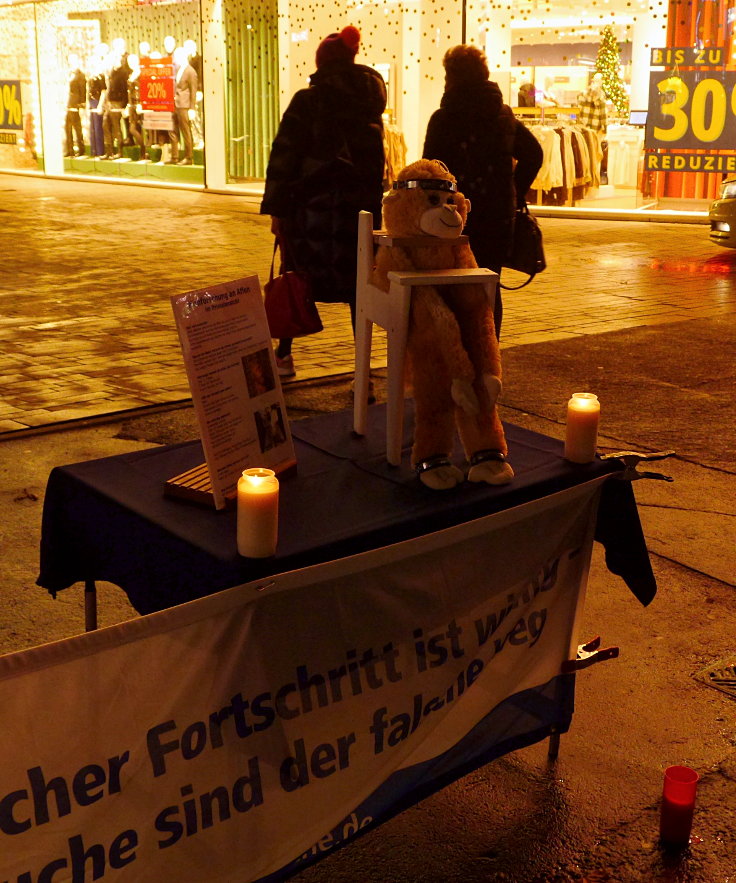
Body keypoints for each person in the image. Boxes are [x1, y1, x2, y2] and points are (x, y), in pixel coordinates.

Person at [260, 25, 386, 377]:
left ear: (321, 63)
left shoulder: (308, 102)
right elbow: (375, 168)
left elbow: (283, 156)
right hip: (354, 217)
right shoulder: (369, 108)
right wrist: (371, 214)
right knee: (357, 290)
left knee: (296, 279)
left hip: (308, 214)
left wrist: (278, 208)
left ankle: (283, 356)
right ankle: (364, 374)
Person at [423, 44, 543, 337]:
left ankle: (458, 363)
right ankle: (489, 363)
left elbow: (429, 171)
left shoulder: (444, 118)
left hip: (452, 217)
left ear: (451, 76)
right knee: (490, 287)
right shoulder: (501, 115)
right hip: (497, 217)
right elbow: (534, 154)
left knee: (449, 287)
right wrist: (512, 190)